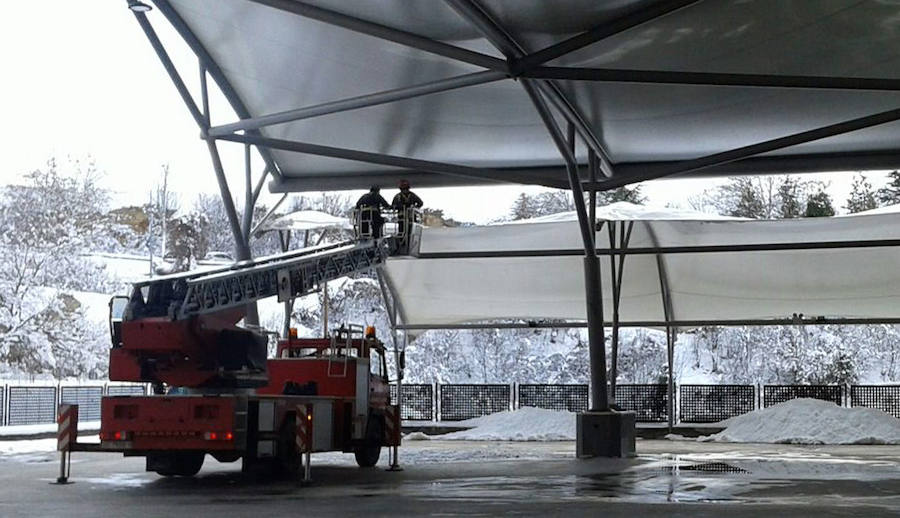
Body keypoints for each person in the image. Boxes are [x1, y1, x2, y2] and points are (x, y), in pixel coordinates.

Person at [391, 179, 423, 253]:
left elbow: (393, 206)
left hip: (407, 217)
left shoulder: (398, 196)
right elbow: (420, 203)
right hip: (407, 217)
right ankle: (405, 247)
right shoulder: (411, 195)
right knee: (405, 232)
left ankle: (405, 247)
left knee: (405, 232)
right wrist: (414, 207)